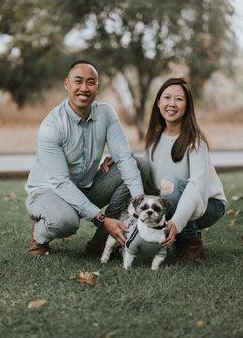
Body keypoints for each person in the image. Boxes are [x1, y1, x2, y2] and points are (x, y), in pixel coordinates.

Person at [25, 60, 144, 256]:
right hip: (49, 191)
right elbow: (61, 183)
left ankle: (102, 241)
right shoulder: (52, 126)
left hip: (85, 187)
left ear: (97, 87)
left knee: (138, 164)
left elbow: (124, 157)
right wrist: (102, 220)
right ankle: (39, 236)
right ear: (67, 84)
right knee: (66, 221)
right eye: (78, 81)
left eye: (90, 82)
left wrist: (140, 204)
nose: (84, 88)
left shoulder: (106, 113)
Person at [101, 77, 227, 262]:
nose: (172, 104)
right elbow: (148, 171)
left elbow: (197, 187)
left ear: (187, 106)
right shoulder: (155, 139)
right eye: (167, 98)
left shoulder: (196, 142)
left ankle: (191, 243)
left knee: (171, 184)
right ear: (159, 102)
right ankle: (116, 240)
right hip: (174, 200)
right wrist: (123, 160)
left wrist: (175, 222)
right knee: (160, 187)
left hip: (209, 205)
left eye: (179, 99)